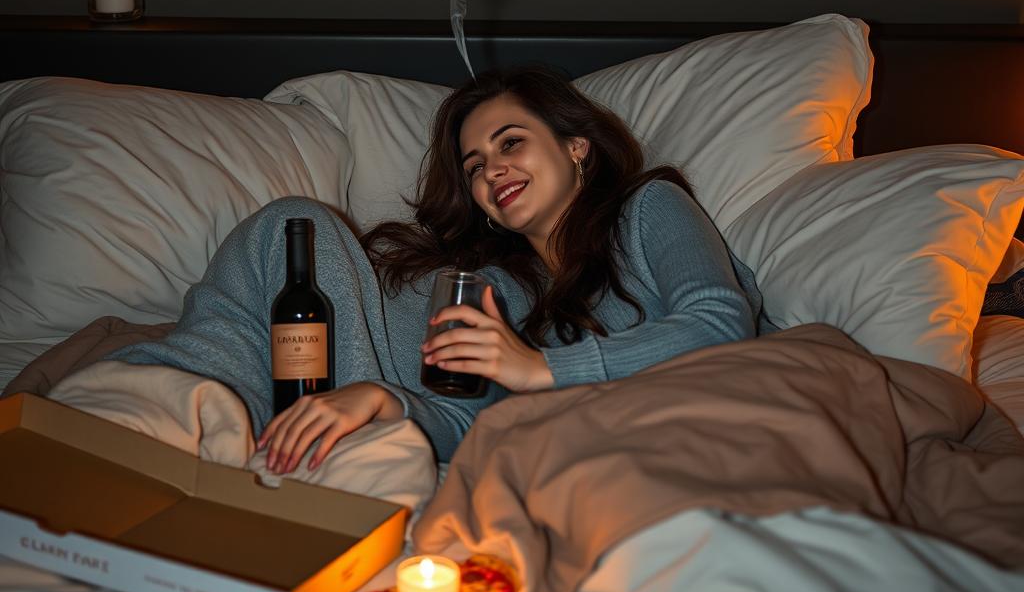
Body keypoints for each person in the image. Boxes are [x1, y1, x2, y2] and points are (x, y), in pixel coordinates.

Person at [112, 66, 761, 470]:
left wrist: (535, 370)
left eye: (511, 143)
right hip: (358, 376)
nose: (492, 169)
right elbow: (472, 420)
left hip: (389, 416)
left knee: (294, 234)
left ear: (577, 147)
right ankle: (162, 411)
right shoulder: (498, 286)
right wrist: (385, 398)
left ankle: (196, 418)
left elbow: (719, 322)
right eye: (475, 165)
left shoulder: (649, 207)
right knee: (292, 233)